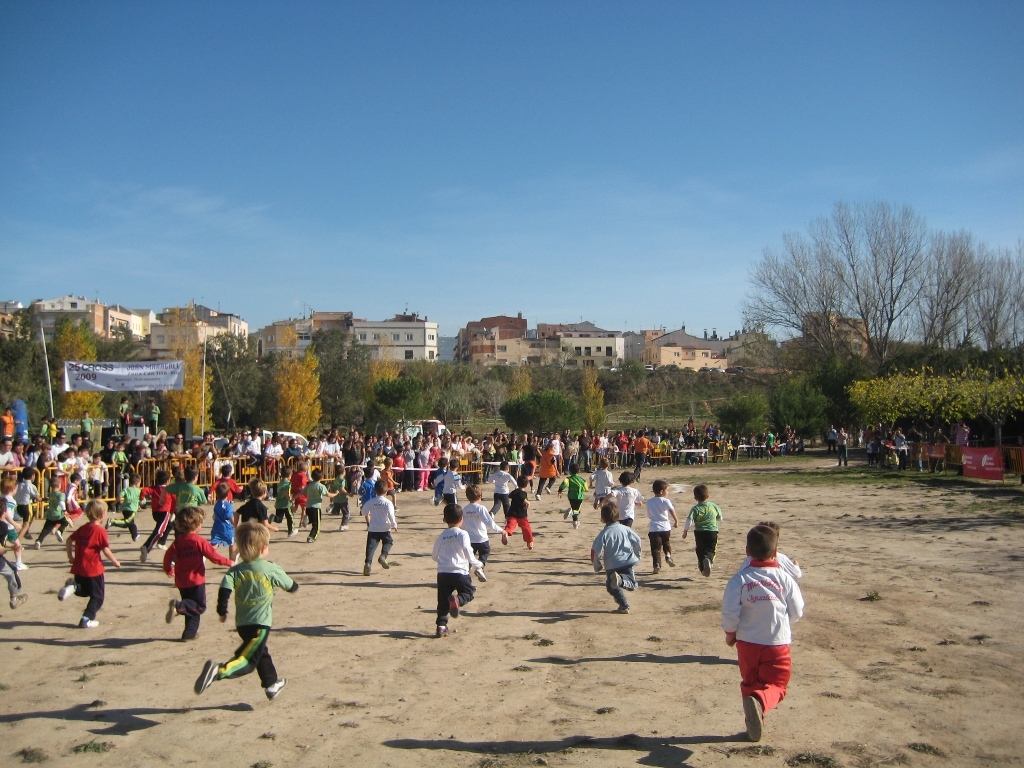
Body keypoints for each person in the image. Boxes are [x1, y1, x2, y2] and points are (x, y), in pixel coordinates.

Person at [194, 522, 296, 700]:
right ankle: (218, 671)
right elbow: (291, 586)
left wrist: (222, 610)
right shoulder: (270, 568)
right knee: (248, 661)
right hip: (260, 624)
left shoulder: (235, 571)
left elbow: (224, 590)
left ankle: (271, 684)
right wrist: (293, 586)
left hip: (242, 623)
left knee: (259, 652)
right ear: (264, 548)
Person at [722, 524, 805, 742]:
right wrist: (787, 623)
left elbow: (730, 612)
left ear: (747, 551)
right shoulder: (785, 578)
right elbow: (797, 609)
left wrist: (730, 633)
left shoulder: (739, 579)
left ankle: (753, 723)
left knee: (750, 683)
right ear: (776, 552)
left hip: (747, 643)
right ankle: (759, 704)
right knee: (777, 685)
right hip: (777, 642)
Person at [163, 506, 234, 641]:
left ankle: (189, 633)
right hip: (196, 580)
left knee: (191, 608)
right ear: (196, 525)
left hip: (181, 581)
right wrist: (228, 562)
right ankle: (178, 606)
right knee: (199, 606)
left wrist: (168, 569)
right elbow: (213, 556)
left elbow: (168, 556)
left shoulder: (178, 542)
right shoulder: (199, 541)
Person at [57, 499, 121, 628]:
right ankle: (86, 619)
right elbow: (105, 549)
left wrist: (71, 557)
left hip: (79, 566)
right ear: (102, 515)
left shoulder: (83, 528)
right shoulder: (100, 531)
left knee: (83, 591)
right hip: (93, 568)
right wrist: (115, 561)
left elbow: (69, 540)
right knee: (98, 597)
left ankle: (73, 587)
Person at [432, 503, 484, 637]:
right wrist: (476, 563)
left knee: (442, 601)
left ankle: (441, 627)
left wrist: (443, 562)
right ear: (462, 519)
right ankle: (458, 601)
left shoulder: (442, 535)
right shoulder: (463, 534)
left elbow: (434, 555)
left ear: (444, 520)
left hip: (443, 573)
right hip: (460, 572)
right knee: (469, 592)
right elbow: (468, 551)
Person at [590, 499, 642, 614]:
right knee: (630, 584)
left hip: (611, 565)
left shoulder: (603, 534)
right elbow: (637, 540)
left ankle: (623, 604)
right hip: (626, 561)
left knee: (611, 586)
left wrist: (596, 565)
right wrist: (637, 554)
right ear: (619, 516)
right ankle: (622, 582)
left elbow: (595, 550)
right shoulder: (625, 529)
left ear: (602, 519)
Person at [461, 484, 505, 577]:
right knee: (484, 553)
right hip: (482, 539)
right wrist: (501, 531)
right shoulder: (481, 508)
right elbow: (490, 523)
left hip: (469, 539)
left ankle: (466, 571)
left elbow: (462, 525)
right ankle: (480, 568)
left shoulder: (465, 509)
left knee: (469, 556)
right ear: (480, 496)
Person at [683, 483, 722, 577]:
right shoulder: (713, 506)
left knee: (700, 550)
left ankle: (703, 568)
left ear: (695, 498)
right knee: (711, 549)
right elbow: (720, 518)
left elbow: (689, 520)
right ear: (708, 496)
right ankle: (708, 560)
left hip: (700, 533)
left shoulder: (695, 509)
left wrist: (685, 531)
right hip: (712, 531)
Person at [362, 480, 397, 576]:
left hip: (373, 528)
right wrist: (394, 525)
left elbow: (364, 511)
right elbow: (391, 515)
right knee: (388, 542)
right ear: (386, 491)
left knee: (370, 547)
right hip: (385, 528)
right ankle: (383, 556)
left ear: (374, 491)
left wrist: (369, 516)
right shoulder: (387, 503)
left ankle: (368, 563)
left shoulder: (371, 502)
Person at [140, 470, 175, 562]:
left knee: (170, 525)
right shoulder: (169, 489)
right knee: (159, 531)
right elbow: (174, 501)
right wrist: (173, 512)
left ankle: (161, 542)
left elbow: (144, 490)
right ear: (168, 481)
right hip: (165, 512)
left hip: (155, 513)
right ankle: (147, 547)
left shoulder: (154, 488)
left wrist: (142, 499)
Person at [646, 479, 678, 574]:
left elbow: (649, 515)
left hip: (654, 528)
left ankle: (657, 564)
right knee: (666, 543)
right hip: (665, 527)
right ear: (661, 492)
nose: (668, 492)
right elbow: (671, 510)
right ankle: (668, 556)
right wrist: (676, 520)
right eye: (667, 490)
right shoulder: (666, 501)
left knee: (655, 548)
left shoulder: (649, 502)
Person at [501, 475, 534, 550]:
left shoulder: (515, 491)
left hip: (511, 513)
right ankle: (529, 542)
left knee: (510, 526)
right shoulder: (523, 493)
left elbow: (510, 495)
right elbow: (522, 498)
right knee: (526, 528)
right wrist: (527, 502)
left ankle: (506, 532)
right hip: (521, 514)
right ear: (526, 485)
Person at [34, 480, 69, 548]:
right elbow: (61, 502)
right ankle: (59, 531)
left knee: (45, 530)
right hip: (59, 514)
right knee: (65, 523)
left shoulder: (50, 494)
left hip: (50, 515)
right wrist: (64, 510)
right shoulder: (61, 494)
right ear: (59, 486)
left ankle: (39, 541)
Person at [303, 469, 333, 543]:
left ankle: (307, 520)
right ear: (321, 477)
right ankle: (311, 537)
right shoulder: (321, 486)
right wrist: (336, 494)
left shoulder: (309, 485)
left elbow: (301, 492)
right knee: (317, 526)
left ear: (312, 477)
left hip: (308, 507)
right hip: (316, 508)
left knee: (313, 520)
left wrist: (293, 498)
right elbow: (328, 494)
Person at [210, 482, 238, 561]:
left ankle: (205, 555)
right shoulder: (228, 505)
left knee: (214, 544)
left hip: (217, 527)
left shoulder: (217, 504)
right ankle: (232, 561)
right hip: (227, 528)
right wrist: (235, 525)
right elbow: (230, 517)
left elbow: (214, 516)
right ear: (228, 494)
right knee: (232, 543)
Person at [110, 472, 142, 541]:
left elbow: (119, 496)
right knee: (127, 523)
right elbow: (143, 500)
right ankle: (112, 522)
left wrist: (114, 503)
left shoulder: (126, 489)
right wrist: (141, 503)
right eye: (140, 483)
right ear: (136, 483)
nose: (140, 485)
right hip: (132, 510)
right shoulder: (138, 491)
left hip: (124, 509)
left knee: (130, 523)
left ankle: (134, 536)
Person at [15, 467, 41, 541]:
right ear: (32, 475)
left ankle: (25, 533)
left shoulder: (19, 484)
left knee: (30, 518)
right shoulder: (31, 486)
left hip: (19, 506)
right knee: (26, 525)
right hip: (27, 506)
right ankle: (17, 541)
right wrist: (45, 499)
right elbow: (38, 498)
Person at [561, 464, 588, 529]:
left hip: (571, 496)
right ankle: (572, 514)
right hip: (579, 497)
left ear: (570, 471)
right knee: (577, 510)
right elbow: (586, 489)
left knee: (574, 508)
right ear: (579, 471)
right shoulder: (582, 480)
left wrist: (560, 490)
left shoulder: (568, 478)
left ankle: (575, 523)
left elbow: (564, 484)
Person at [273, 466, 295, 537]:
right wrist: (291, 499)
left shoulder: (280, 482)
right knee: (290, 517)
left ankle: (273, 517)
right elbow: (286, 493)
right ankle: (290, 531)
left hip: (279, 504)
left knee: (279, 519)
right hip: (286, 504)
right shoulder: (287, 484)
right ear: (289, 475)